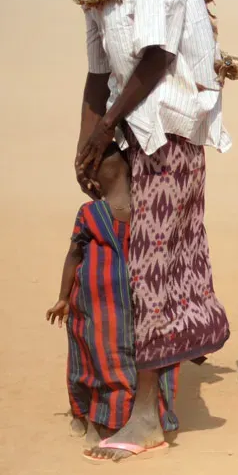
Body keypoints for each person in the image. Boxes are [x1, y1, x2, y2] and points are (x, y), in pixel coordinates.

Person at [59, 0, 231, 462]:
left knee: (155, 265)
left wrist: (105, 126)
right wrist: (87, 144)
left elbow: (156, 57)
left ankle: (147, 418)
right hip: (130, 125)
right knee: (136, 262)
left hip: (169, 126)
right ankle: (126, 392)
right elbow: (97, 71)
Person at [46, 148, 178, 456]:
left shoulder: (90, 212)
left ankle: (97, 419)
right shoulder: (148, 208)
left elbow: (74, 254)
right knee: (121, 358)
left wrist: (63, 297)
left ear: (95, 180)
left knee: (92, 356)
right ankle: (109, 419)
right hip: (129, 301)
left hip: (94, 301)